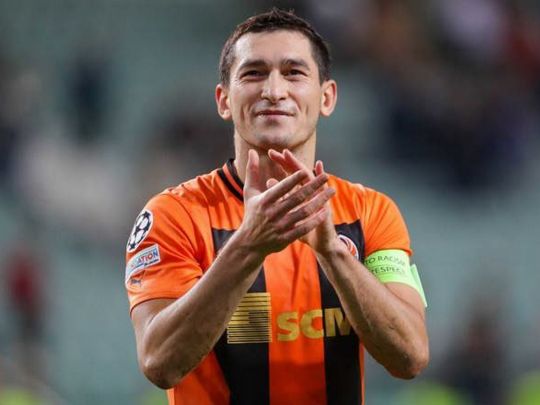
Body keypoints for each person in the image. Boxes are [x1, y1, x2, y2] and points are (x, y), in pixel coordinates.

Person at [125, 8, 429, 405]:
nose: (273, 90)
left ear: (327, 97)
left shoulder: (371, 212)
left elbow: (411, 357)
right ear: (224, 100)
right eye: (253, 73)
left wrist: (333, 252)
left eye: (293, 73)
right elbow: (159, 362)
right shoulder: (174, 216)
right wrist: (248, 245)